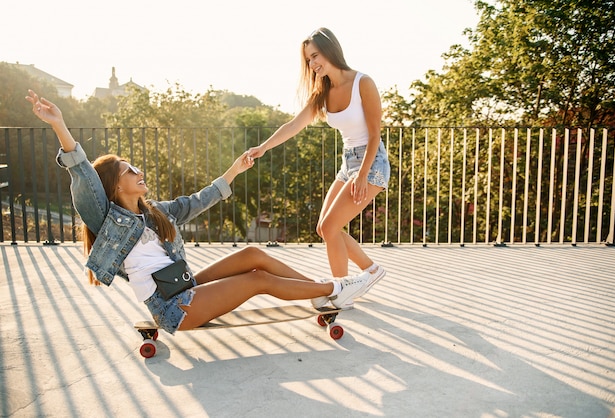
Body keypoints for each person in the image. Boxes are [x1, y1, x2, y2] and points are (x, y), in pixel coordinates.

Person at [26, 89, 373, 336]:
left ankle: (318, 290)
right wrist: (59, 125)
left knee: (253, 254)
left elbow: (198, 200)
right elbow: (83, 175)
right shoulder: (106, 220)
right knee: (257, 280)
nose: (138, 171)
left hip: (184, 286)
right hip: (174, 308)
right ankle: (335, 287)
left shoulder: (156, 213)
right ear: (115, 187)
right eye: (129, 170)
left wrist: (235, 170)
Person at [245, 28, 391, 309]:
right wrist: (262, 148)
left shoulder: (363, 83)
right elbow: (293, 126)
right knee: (325, 228)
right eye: (308, 60)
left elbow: (375, 135)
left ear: (330, 50)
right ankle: (371, 270)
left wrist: (362, 175)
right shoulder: (322, 92)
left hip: (370, 163)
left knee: (329, 226)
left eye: (315, 56)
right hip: (347, 162)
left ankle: (341, 291)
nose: (312, 64)